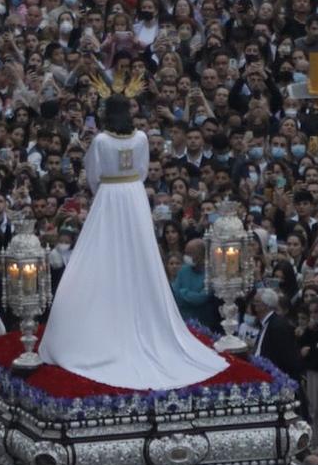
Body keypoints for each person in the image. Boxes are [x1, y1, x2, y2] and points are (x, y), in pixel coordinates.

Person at [38, 75, 225, 390]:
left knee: (105, 256)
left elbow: (94, 176)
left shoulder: (100, 141)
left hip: (110, 198)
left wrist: (106, 193)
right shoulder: (139, 138)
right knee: (139, 256)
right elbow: (141, 170)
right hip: (134, 198)